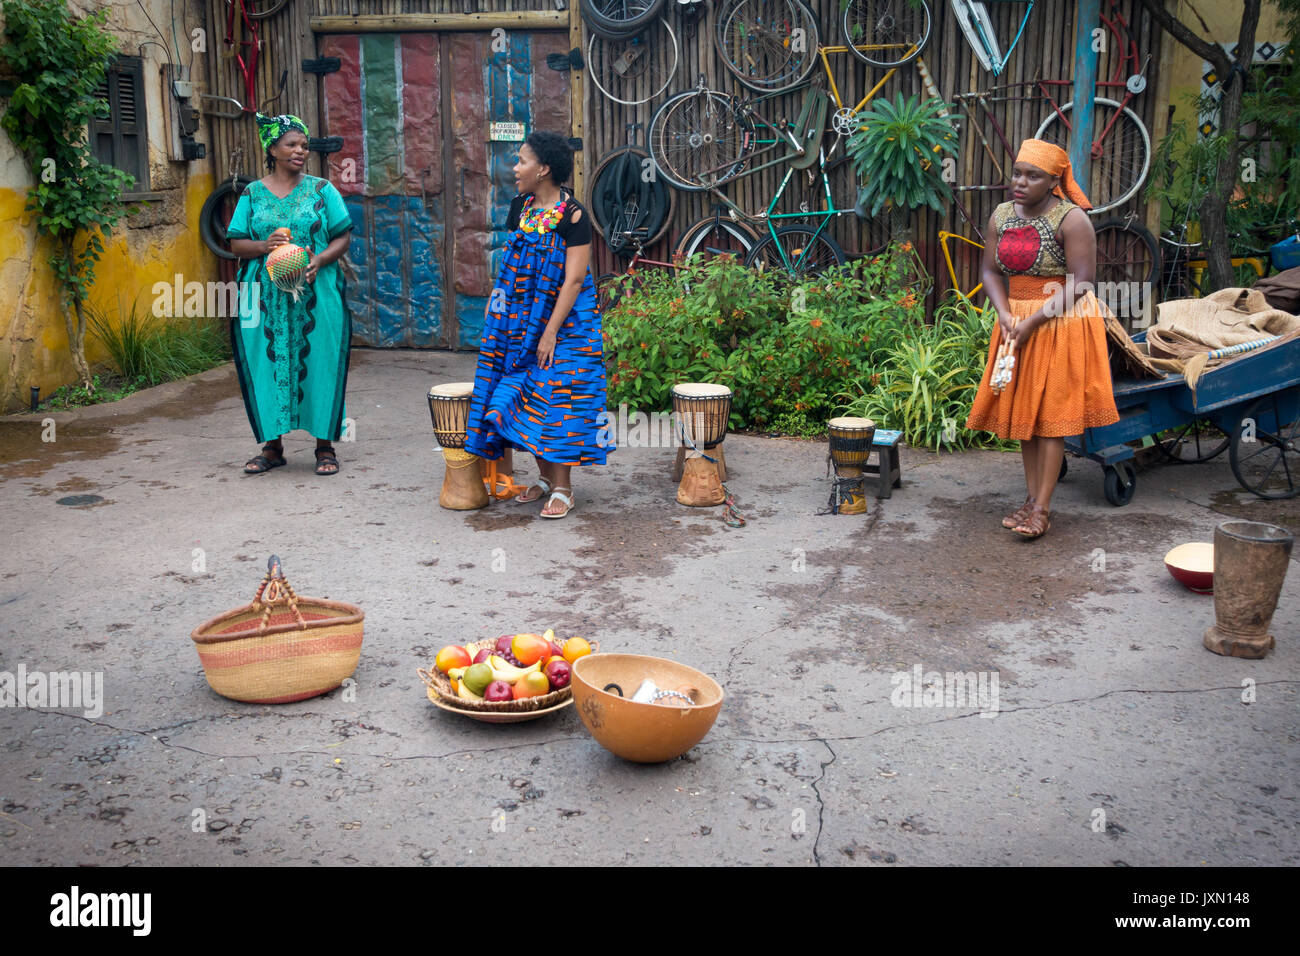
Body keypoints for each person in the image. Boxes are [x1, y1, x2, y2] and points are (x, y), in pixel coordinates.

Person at [966, 139, 1120, 538]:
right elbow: (989, 272)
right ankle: (1031, 500)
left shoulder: (1071, 220)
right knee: (1025, 417)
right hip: (1015, 321)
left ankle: (1043, 509)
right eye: (1017, 172)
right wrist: (1004, 314)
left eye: (1032, 176)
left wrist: (1033, 320)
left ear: (1054, 181)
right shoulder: (1001, 216)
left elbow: (1083, 282)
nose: (1020, 182)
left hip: (1059, 321)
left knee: (1050, 420)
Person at [463, 131, 612, 518]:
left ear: (544, 169)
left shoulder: (574, 216)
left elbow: (575, 279)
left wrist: (549, 332)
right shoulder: (520, 208)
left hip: (567, 323)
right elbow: (511, 264)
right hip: (518, 317)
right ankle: (546, 479)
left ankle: (564, 488)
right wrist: (498, 303)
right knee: (516, 393)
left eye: (522, 161)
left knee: (557, 395)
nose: (515, 168)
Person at [226, 113, 354, 476]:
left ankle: (325, 447)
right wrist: (264, 245)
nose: (300, 150)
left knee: (320, 361)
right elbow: (235, 242)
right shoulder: (252, 194)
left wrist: (321, 259)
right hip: (263, 297)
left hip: (315, 291)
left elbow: (342, 236)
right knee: (268, 365)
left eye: (304, 145)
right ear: (272, 149)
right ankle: (272, 447)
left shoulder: (321, 190)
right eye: (291, 144)